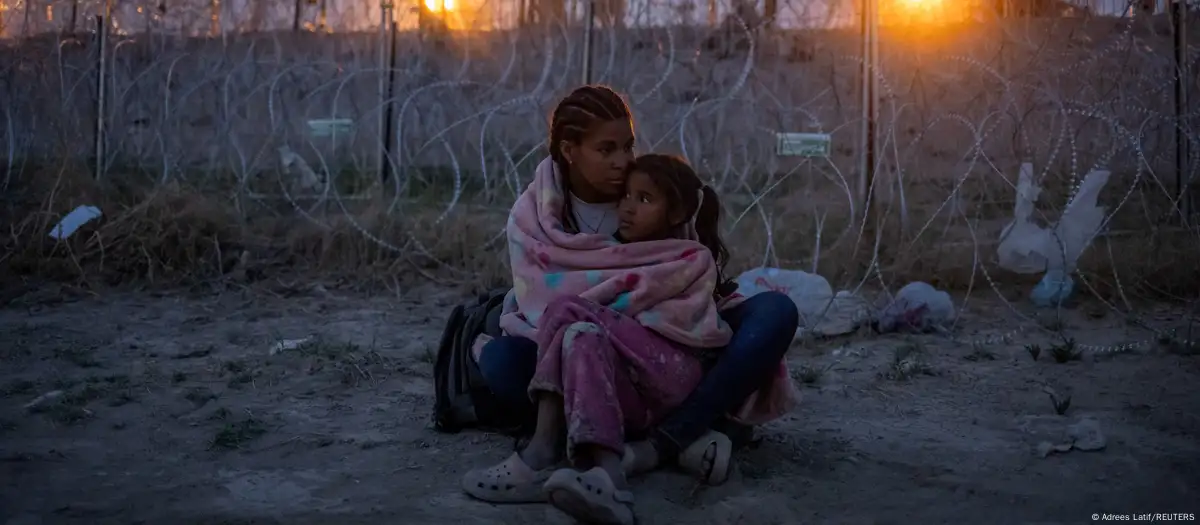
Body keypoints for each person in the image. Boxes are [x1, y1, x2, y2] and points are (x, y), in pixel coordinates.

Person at [471, 85, 798, 487]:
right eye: (606, 150)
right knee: (505, 362)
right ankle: (691, 433)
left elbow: (690, 277)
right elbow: (542, 302)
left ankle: (662, 440)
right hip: (581, 347)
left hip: (666, 341)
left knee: (775, 313)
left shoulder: (650, 188)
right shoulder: (535, 217)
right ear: (569, 150)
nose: (622, 161)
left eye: (627, 146)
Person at [467, 154, 747, 524]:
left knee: (566, 311)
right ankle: (608, 478)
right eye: (626, 197)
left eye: (644, 200)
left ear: (676, 213)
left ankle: (542, 448)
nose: (628, 209)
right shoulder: (614, 254)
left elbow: (668, 322)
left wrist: (596, 315)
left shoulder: (689, 257)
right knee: (580, 335)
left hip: (674, 372)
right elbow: (609, 315)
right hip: (631, 388)